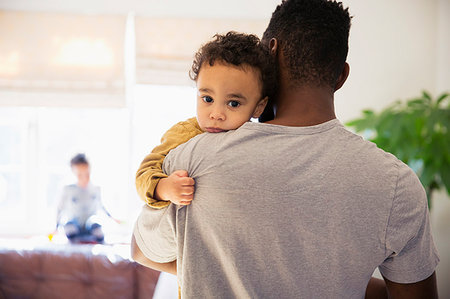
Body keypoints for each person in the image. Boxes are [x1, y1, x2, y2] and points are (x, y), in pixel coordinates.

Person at [132, 0, 440, 298]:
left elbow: (141, 251)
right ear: (342, 76)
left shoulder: (193, 157)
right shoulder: (396, 184)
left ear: (271, 50)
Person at [135, 31, 276, 209]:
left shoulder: (257, 141)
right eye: (208, 99)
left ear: (259, 107)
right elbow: (144, 173)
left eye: (233, 103)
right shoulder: (185, 132)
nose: (216, 114)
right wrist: (164, 188)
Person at [56, 153, 110, 243]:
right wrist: (56, 226)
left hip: (90, 224)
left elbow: (102, 206)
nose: (84, 178)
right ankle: (75, 238)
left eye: (87, 174)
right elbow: (60, 208)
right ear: (73, 172)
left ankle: (94, 236)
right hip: (74, 224)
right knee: (69, 225)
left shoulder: (96, 188)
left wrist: (113, 218)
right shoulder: (68, 189)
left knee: (96, 224)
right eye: (80, 175)